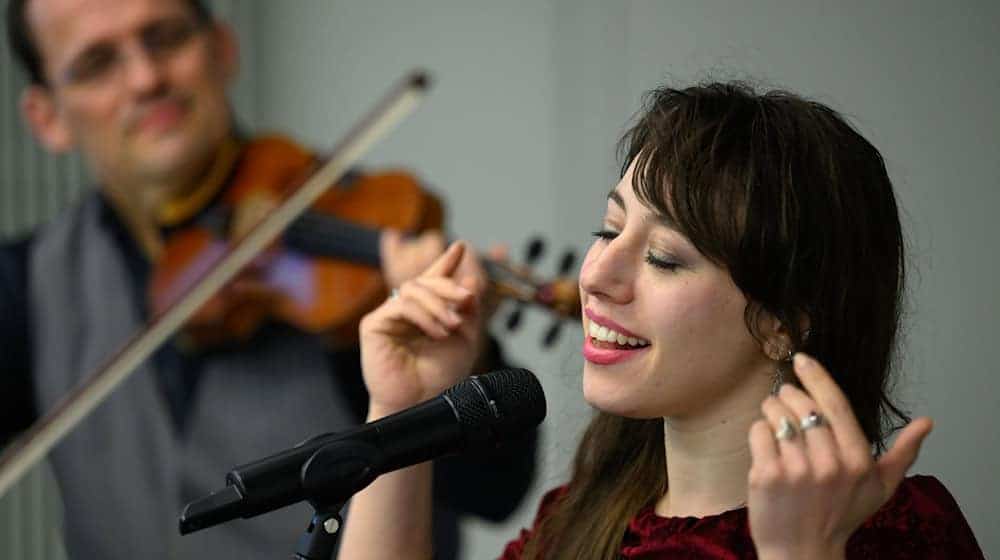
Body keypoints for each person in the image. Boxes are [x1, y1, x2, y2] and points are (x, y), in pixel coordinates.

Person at [336, 82, 985, 559]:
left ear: (783, 321)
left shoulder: (900, 532)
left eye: (665, 258)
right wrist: (402, 406)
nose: (594, 275)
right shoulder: (582, 517)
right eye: (609, 229)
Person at [0, 0, 536, 558]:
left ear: (223, 49)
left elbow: (492, 492)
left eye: (165, 38)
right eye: (96, 63)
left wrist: (454, 366)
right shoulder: (24, 287)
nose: (145, 78)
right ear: (47, 118)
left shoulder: (361, 231)